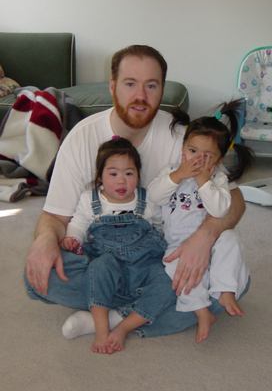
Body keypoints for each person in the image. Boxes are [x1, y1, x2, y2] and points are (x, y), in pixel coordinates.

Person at [25, 44, 249, 339]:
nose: (140, 96)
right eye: (130, 84)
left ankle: (108, 314)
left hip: (161, 257)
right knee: (42, 275)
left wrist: (202, 239)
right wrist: (44, 239)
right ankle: (153, 307)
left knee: (233, 280)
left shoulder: (184, 138)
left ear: (162, 89)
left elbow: (235, 202)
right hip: (102, 260)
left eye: (151, 85)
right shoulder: (82, 137)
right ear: (113, 86)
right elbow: (55, 215)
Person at [148, 100, 254, 343]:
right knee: (174, 268)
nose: (197, 159)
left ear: (218, 160)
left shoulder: (218, 178)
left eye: (207, 156)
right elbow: (155, 196)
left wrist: (204, 182)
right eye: (193, 151)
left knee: (231, 240)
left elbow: (220, 210)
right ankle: (200, 309)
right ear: (183, 149)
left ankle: (225, 290)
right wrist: (177, 176)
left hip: (212, 237)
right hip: (177, 243)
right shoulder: (171, 170)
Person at [59, 137, 175, 353]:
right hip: (109, 266)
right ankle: (102, 329)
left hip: (145, 266)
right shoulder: (90, 199)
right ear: (100, 176)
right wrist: (73, 238)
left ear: (138, 175)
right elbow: (78, 224)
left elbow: (161, 226)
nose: (121, 181)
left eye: (129, 174)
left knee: (171, 281)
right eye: (113, 174)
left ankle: (123, 326)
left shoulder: (147, 199)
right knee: (94, 268)